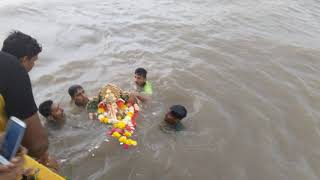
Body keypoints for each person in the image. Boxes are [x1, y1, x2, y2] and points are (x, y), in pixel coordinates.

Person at [0, 31, 50, 165]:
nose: (34, 66)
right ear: (23, 60)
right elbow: (37, 146)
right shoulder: (13, 70)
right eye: (33, 61)